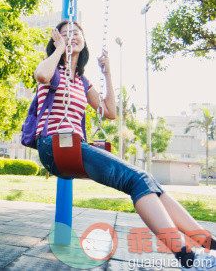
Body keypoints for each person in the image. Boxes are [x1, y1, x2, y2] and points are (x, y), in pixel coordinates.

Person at [34, 20, 216, 270]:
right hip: (53, 146)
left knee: (149, 181)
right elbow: (41, 75)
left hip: (76, 148)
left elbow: (109, 112)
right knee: (138, 180)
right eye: (65, 34)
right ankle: (187, 256)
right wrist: (59, 49)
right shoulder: (53, 68)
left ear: (84, 40)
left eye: (76, 33)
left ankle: (205, 241)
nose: (72, 36)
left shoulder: (82, 81)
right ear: (57, 40)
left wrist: (107, 72)